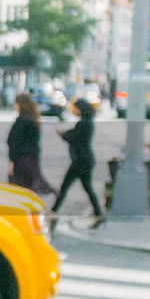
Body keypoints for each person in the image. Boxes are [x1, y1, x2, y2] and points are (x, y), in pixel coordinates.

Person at [49, 97, 104, 230]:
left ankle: (53, 211)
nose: (74, 111)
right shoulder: (88, 122)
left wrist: (62, 134)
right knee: (87, 188)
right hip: (85, 159)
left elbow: (73, 137)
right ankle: (98, 213)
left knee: (65, 186)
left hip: (81, 160)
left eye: (76, 108)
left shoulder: (83, 123)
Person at [6, 93, 55, 195]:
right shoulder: (34, 118)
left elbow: (13, 142)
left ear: (20, 104)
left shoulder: (22, 120)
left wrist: (12, 162)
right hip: (32, 159)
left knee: (19, 190)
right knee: (29, 190)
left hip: (21, 160)